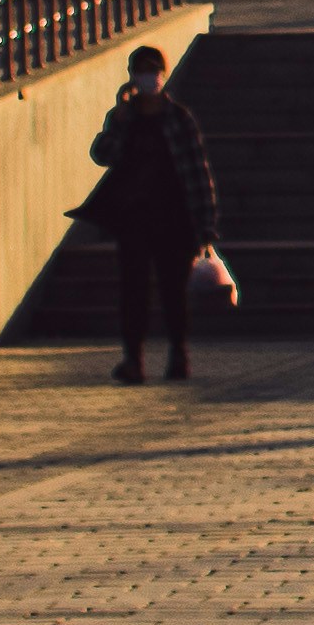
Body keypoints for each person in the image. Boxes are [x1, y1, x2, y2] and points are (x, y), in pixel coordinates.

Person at [78, 40, 220, 384]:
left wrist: (206, 222)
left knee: (173, 291)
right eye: (141, 72)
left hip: (175, 219)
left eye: (152, 71)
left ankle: (178, 355)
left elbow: (197, 171)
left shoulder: (178, 118)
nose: (147, 78)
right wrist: (121, 117)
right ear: (132, 76)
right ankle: (134, 360)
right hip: (135, 219)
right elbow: (102, 154)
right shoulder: (125, 117)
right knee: (134, 291)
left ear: (162, 75)